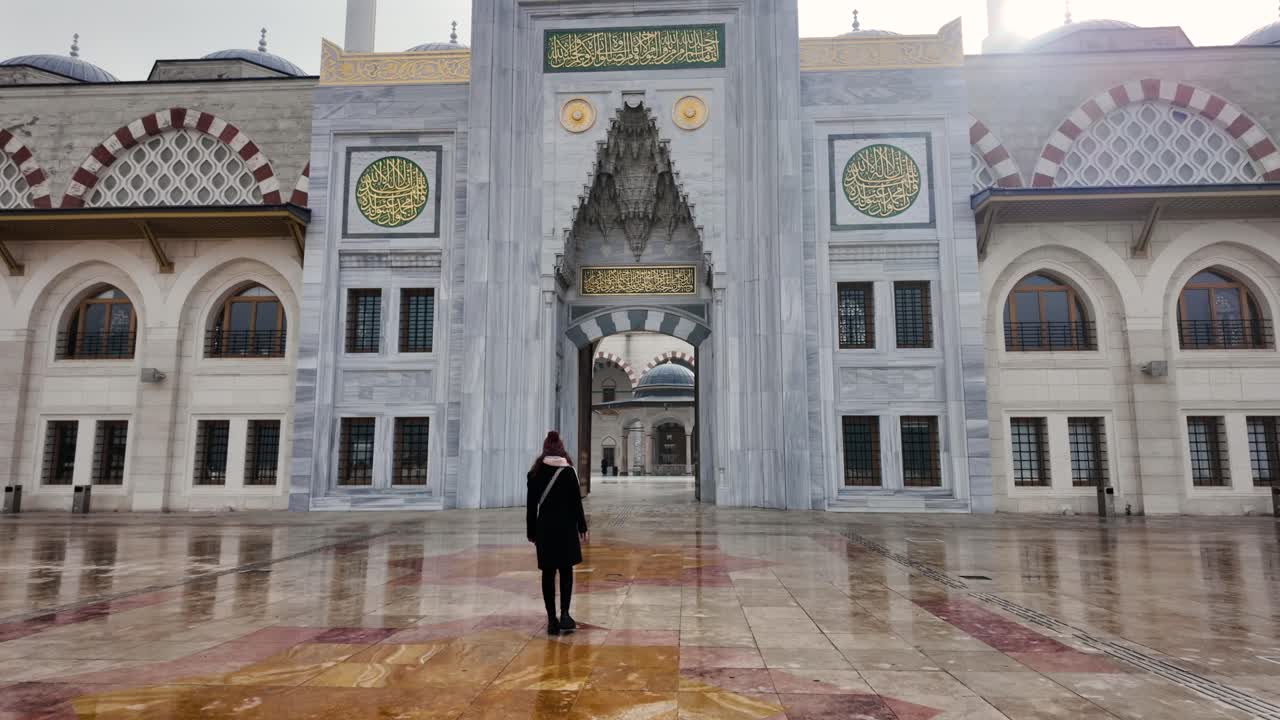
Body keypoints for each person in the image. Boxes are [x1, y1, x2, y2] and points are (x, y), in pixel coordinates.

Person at [527, 431, 589, 635]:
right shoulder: (569, 472)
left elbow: (531, 508)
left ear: (545, 448)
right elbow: (576, 503)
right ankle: (564, 614)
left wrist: (531, 532)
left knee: (548, 572)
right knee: (565, 571)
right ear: (561, 448)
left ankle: (552, 620)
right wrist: (582, 526)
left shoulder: (535, 472)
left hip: (545, 529)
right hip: (566, 529)